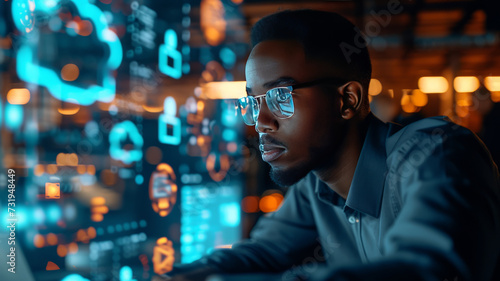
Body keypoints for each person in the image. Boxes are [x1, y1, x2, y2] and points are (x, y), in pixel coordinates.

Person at [159, 9, 500, 281]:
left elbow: (421, 270)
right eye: (253, 102)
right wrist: (185, 275)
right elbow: (263, 252)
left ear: (347, 100)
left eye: (280, 97)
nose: (260, 121)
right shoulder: (315, 183)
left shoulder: (436, 156)